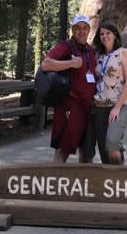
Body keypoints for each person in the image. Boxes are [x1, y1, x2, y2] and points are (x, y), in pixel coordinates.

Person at [41, 14, 97, 163]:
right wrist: (71, 63)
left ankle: (85, 184)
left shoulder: (91, 51)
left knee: (86, 151)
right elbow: (45, 64)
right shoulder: (65, 47)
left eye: (85, 28)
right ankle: (54, 182)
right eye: (78, 28)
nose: (81, 31)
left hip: (88, 108)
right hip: (70, 106)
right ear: (73, 30)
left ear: (89, 30)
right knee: (63, 149)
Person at [86, 21, 127, 164]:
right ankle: (110, 179)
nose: (105, 36)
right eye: (102, 33)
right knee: (105, 150)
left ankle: (119, 178)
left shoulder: (123, 53)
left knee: (112, 141)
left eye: (108, 33)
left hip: (121, 106)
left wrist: (117, 107)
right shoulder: (99, 57)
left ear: (115, 35)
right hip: (100, 107)